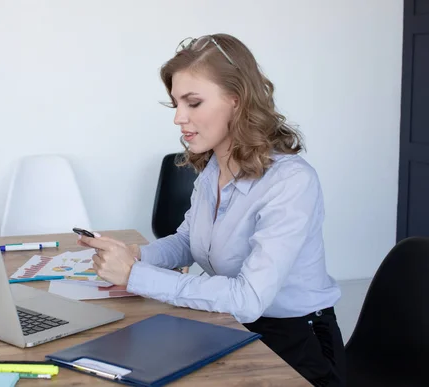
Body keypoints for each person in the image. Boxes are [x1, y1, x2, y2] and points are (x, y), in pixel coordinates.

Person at [77, 33, 346, 387]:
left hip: (296, 344)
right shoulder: (214, 169)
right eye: (176, 104)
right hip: (230, 324)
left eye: (193, 103)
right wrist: (136, 254)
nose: (178, 118)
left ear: (237, 101)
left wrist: (135, 275)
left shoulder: (291, 182)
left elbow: (248, 299)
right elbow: (189, 240)